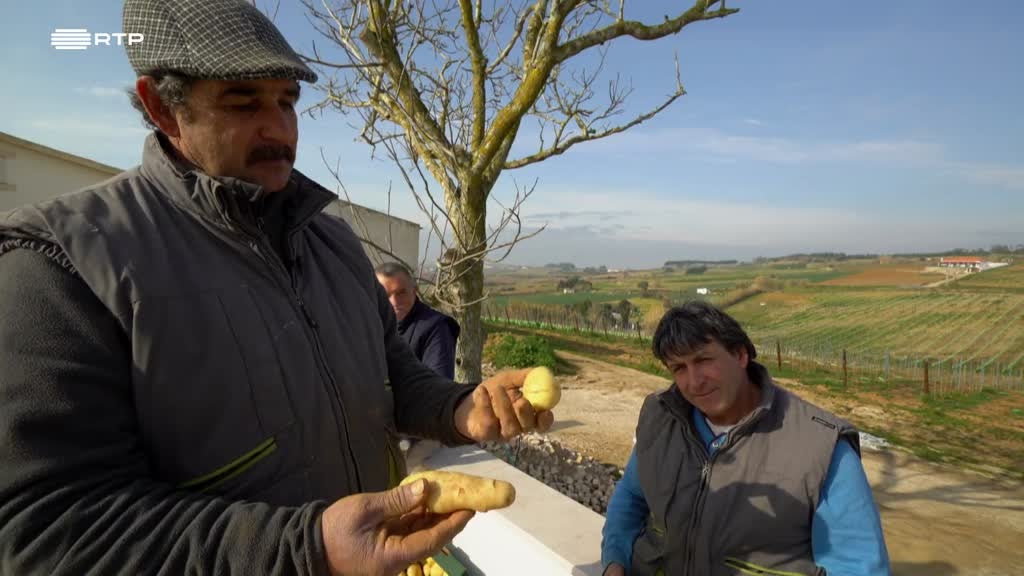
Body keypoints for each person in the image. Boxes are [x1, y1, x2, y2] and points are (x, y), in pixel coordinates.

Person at [0, 1, 552, 575]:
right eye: (243, 103)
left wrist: (460, 407)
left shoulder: (334, 243)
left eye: (287, 101)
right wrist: (309, 548)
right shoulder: (59, 266)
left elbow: (392, 371)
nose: (279, 129)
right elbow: (51, 529)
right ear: (163, 107)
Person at [601, 301, 890, 576]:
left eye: (703, 360)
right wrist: (614, 561)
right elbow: (631, 498)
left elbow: (857, 566)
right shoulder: (661, 419)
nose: (694, 381)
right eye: (679, 368)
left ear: (740, 355)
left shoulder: (822, 448)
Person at [375, 262, 460, 380]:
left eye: (401, 293)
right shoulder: (367, 326)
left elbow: (438, 386)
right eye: (386, 295)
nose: (394, 302)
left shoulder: (436, 328)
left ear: (414, 291)